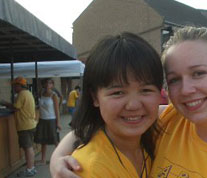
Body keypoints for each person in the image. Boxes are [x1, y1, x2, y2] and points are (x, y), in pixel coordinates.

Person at [50, 27, 207, 178]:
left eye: (198, 73)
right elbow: (108, 123)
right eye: (174, 79)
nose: (187, 90)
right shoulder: (170, 120)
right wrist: (58, 158)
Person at [64, 32, 163, 177]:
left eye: (146, 90)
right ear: (95, 97)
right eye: (118, 93)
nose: (133, 105)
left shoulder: (154, 138)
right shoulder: (91, 168)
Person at [1, 77, 37, 176]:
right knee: (29, 147)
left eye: (15, 85)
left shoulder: (21, 94)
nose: (13, 87)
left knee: (28, 148)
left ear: (19, 85)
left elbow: (16, 107)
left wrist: (5, 103)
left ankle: (29, 169)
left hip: (24, 125)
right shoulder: (28, 93)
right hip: (30, 124)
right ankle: (32, 168)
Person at [34, 78, 61, 165]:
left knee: (55, 140)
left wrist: (58, 123)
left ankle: (60, 158)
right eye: (46, 83)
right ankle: (43, 159)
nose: (47, 85)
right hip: (42, 119)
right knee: (43, 141)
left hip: (51, 119)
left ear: (52, 85)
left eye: (49, 83)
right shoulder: (41, 94)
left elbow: (57, 110)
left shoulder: (54, 95)